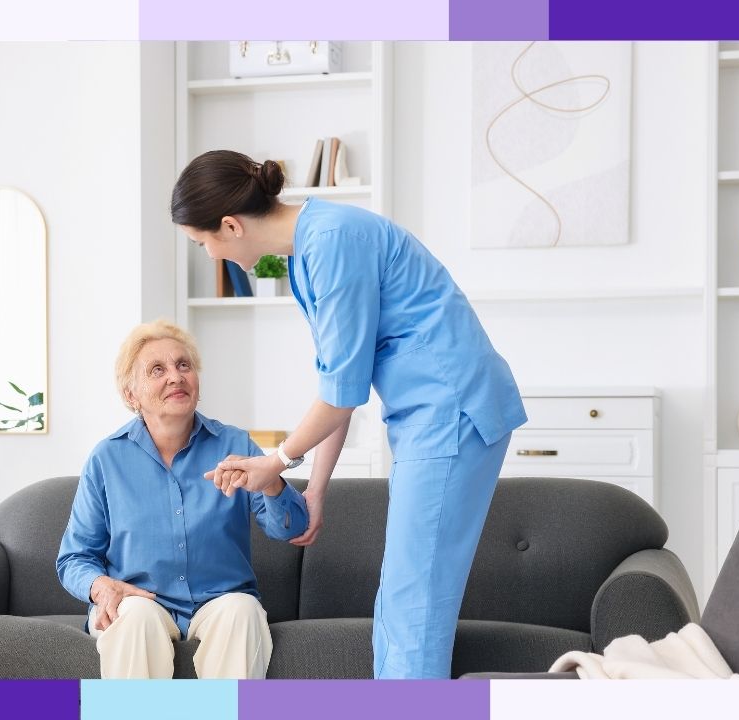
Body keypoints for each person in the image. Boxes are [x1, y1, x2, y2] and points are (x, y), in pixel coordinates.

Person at [170, 150, 527, 679]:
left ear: (229, 225)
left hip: (453, 408)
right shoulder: (306, 255)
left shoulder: (332, 241)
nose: (210, 255)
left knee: (415, 598)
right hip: (427, 416)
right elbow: (339, 382)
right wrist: (315, 487)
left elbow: (343, 394)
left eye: (204, 244)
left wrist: (280, 459)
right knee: (401, 595)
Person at [56, 320, 309, 679]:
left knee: (243, 611)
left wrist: (271, 483)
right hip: (140, 601)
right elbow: (74, 558)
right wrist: (100, 587)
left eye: (183, 365)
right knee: (135, 618)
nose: (175, 376)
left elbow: (293, 529)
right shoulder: (106, 459)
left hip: (221, 601)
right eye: (157, 370)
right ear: (132, 395)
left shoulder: (235, 446)